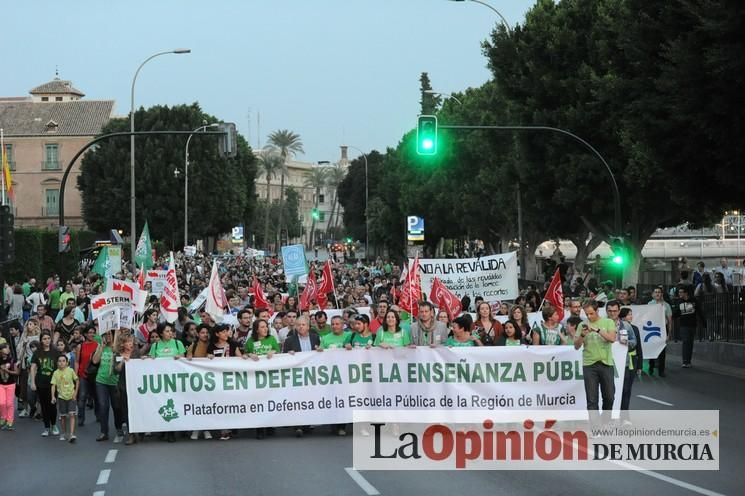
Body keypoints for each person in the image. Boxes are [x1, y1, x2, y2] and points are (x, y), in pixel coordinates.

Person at [574, 301, 616, 429]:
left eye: (591, 313)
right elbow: (576, 346)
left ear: (597, 311)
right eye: (587, 314)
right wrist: (582, 335)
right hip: (589, 364)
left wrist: (597, 330)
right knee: (592, 399)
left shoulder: (608, 322)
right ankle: (595, 427)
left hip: (606, 363)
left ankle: (605, 420)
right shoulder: (582, 325)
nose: (589, 317)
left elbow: (612, 339)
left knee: (609, 396)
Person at [281, 316, 320, 438]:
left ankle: (308, 423)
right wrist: (288, 355)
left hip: (312, 375)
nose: (300, 327)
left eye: (303, 325)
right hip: (296, 375)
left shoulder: (315, 338)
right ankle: (298, 425)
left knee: (310, 399)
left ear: (308, 326)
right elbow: (282, 357)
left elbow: (321, 353)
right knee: (298, 400)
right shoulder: (289, 341)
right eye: (298, 325)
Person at [92, 330, 124, 443]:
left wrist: (116, 338)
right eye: (106, 335)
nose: (108, 337)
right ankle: (104, 431)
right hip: (101, 381)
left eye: (110, 334)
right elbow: (95, 360)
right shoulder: (102, 346)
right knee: (103, 406)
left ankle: (119, 428)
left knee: (116, 407)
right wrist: (101, 346)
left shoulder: (117, 348)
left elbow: (117, 353)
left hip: (114, 382)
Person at [30, 331, 61, 436]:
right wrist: (33, 383)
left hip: (53, 384)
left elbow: (61, 366)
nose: (47, 340)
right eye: (44, 339)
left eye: (48, 338)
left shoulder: (55, 352)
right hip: (41, 383)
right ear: (41, 340)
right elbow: (33, 368)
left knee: (52, 404)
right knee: (44, 406)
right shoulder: (37, 353)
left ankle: (54, 425)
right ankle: (46, 427)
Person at [114, 331, 142, 445]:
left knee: (137, 409)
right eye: (128, 342)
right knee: (126, 410)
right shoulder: (118, 355)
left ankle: (139, 432)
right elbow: (116, 370)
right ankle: (131, 434)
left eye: (131, 342)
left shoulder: (136, 353)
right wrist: (122, 362)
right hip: (123, 386)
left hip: (137, 386)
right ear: (122, 344)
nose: (130, 344)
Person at [618, 307, 643, 425]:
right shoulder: (615, 326)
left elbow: (638, 347)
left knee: (627, 390)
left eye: (631, 314)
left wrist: (640, 365)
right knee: (618, 390)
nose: (631, 317)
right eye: (629, 315)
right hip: (617, 361)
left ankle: (625, 417)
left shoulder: (634, 329)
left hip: (631, 360)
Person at [50, 354, 79, 442]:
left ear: (67, 363)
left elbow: (77, 381)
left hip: (71, 396)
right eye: (59, 361)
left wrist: (75, 393)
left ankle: (72, 434)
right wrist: (53, 396)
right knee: (63, 416)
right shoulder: (56, 373)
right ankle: (64, 433)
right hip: (61, 397)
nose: (61, 363)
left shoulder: (70, 371)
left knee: (72, 414)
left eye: (63, 361)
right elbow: (53, 385)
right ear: (57, 363)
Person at [647, 286, 672, 377]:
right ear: (653, 294)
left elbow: (669, 320)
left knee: (662, 350)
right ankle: (651, 365)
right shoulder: (649, 304)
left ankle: (661, 370)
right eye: (656, 292)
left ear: (661, 294)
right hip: (652, 328)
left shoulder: (666, 305)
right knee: (652, 348)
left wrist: (669, 333)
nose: (657, 293)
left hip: (662, 329)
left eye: (659, 292)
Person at [673, 286, 698, 368]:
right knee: (685, 341)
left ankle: (689, 361)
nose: (679, 294)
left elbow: (698, 311)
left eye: (681, 292)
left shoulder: (693, 300)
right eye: (679, 292)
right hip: (684, 325)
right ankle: (685, 361)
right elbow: (676, 313)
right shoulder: (679, 302)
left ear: (686, 293)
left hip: (692, 324)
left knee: (690, 343)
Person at [0, 342, 19, 430]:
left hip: (11, 384)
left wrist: (8, 371)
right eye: (6, 348)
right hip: (1, 384)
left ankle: (10, 420)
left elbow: (17, 372)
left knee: (9, 403)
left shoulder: (12, 359)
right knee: (2, 402)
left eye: (8, 348)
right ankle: (3, 418)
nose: (8, 349)